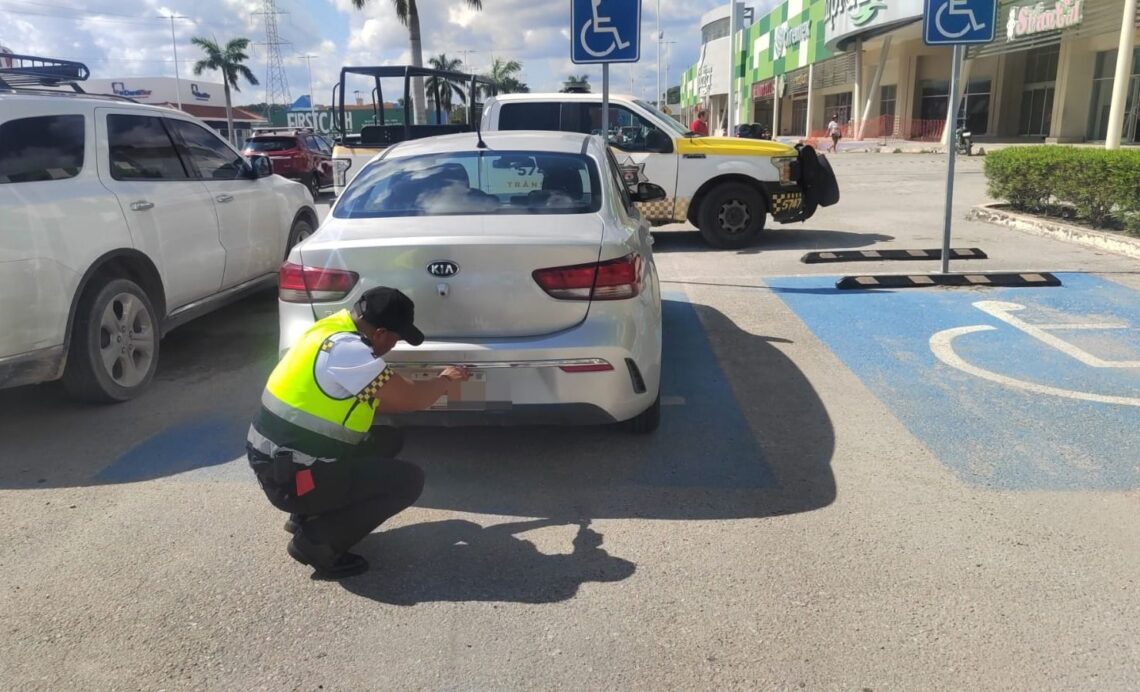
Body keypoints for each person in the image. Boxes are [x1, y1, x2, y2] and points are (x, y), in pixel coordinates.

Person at [246, 286, 471, 580]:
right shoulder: (348, 352)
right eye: (396, 337)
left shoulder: (327, 330)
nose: (394, 345)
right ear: (379, 333)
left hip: (279, 464)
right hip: (292, 479)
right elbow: (412, 399)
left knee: (386, 441)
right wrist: (445, 380)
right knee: (408, 480)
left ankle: (306, 515)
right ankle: (317, 542)